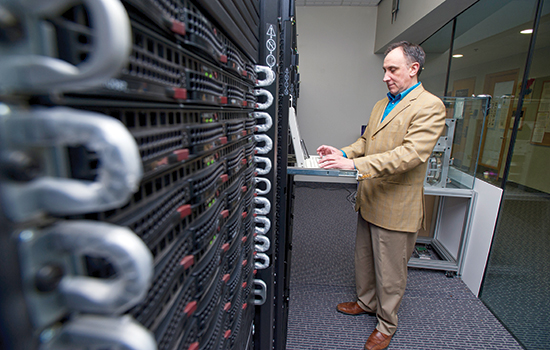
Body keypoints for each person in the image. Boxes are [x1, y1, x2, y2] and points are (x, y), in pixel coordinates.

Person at [317, 41, 446, 350]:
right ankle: (365, 302)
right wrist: (344, 151)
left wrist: (353, 164)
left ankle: (387, 324)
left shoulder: (429, 106)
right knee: (364, 259)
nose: (386, 76)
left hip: (397, 204)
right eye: (384, 70)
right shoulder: (381, 104)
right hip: (371, 197)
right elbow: (366, 141)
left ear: (413, 69)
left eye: (392, 69)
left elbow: (410, 154)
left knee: (390, 271)